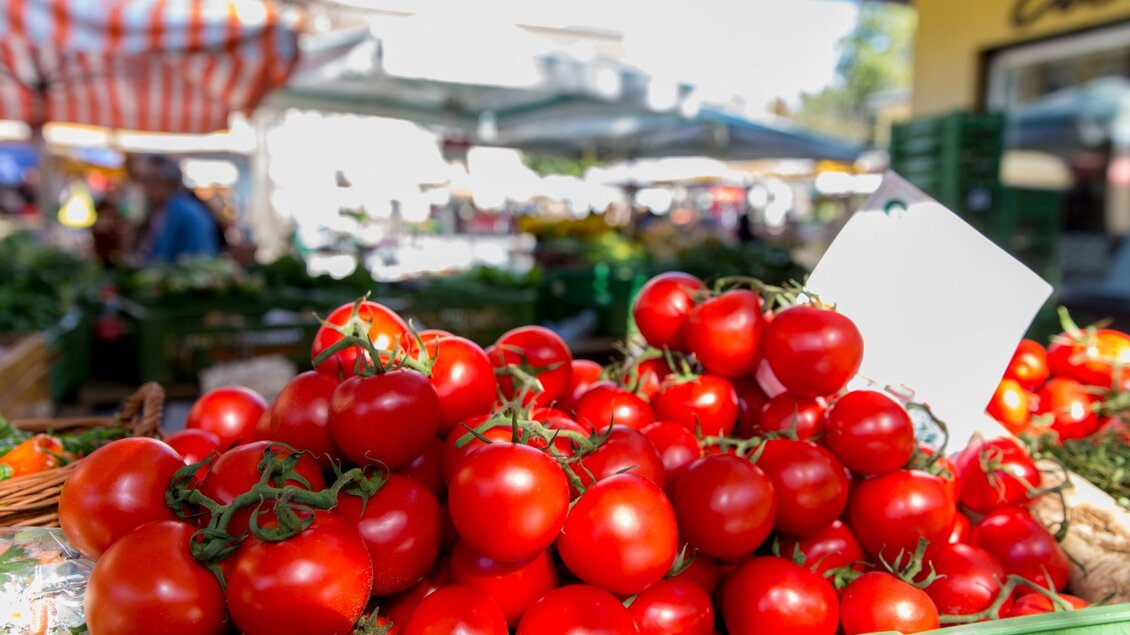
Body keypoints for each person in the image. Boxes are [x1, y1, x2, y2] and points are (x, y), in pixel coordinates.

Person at [134, 155, 221, 263]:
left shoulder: (188, 214)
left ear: (168, 182)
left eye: (150, 180)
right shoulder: (157, 210)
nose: (145, 187)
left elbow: (198, 260)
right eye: (142, 180)